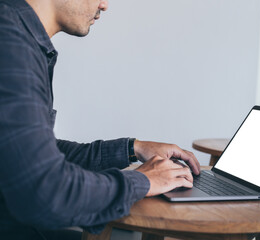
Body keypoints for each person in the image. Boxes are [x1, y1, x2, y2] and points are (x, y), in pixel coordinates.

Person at [0, 0, 201, 239]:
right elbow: (46, 192)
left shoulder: (18, 35)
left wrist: (132, 148)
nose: (104, 5)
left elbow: (34, 156)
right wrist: (142, 181)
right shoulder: (11, 44)